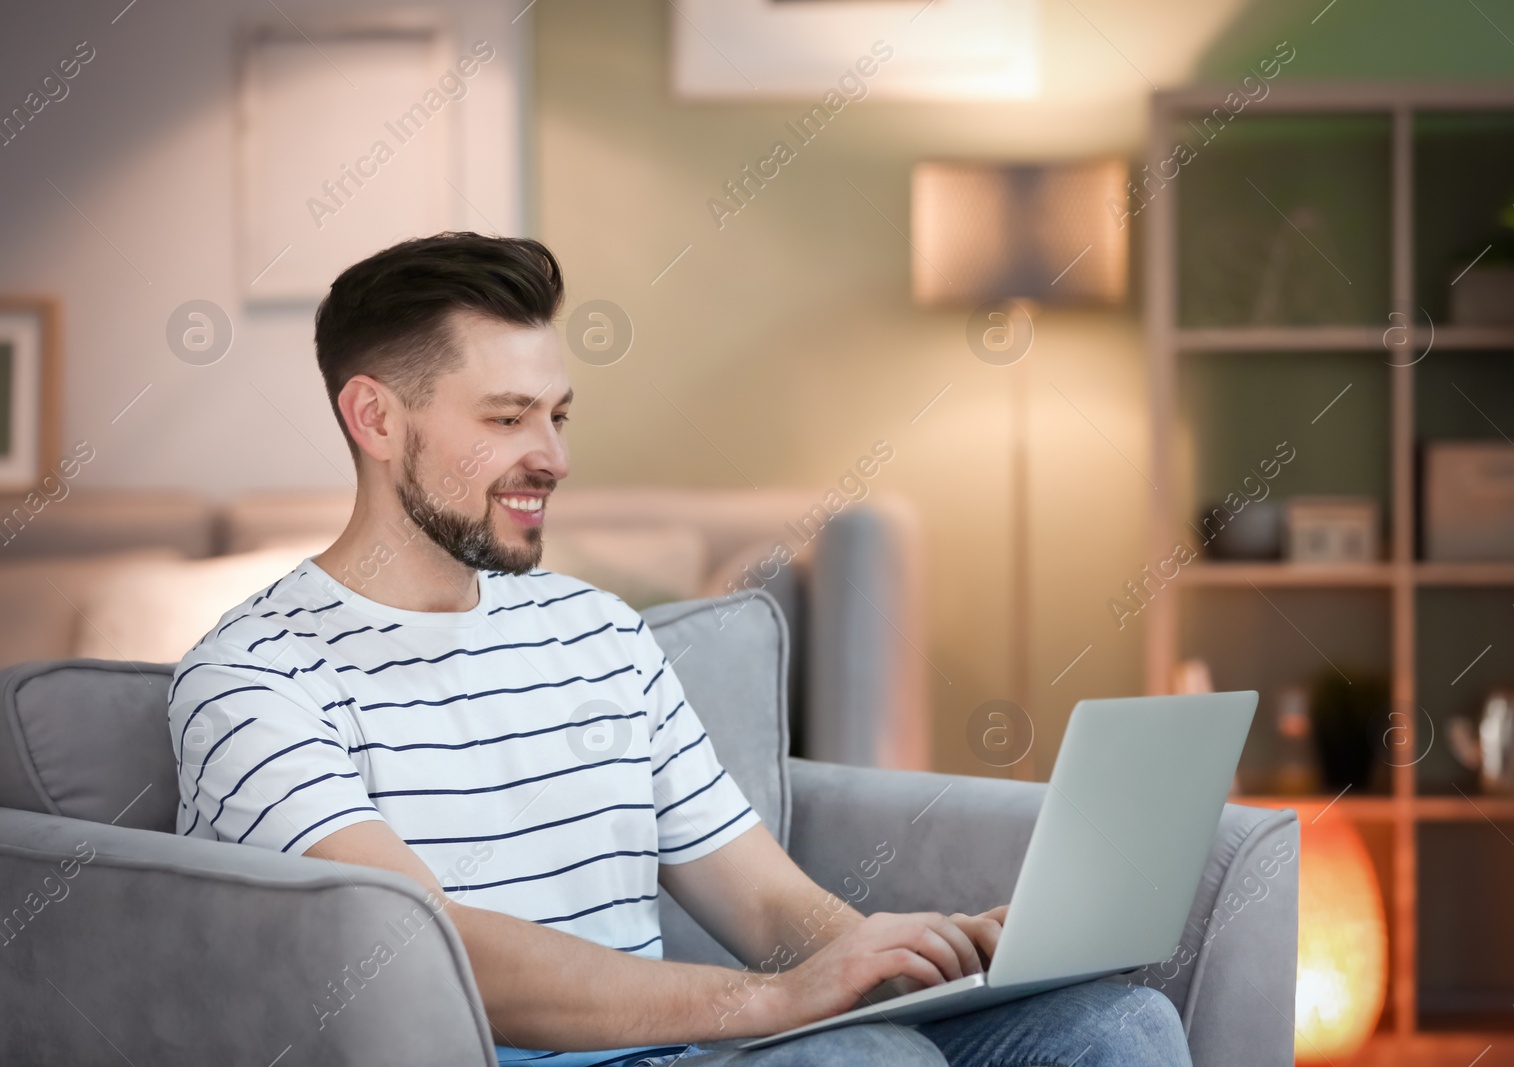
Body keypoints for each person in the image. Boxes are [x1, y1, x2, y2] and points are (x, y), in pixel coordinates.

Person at [168, 232, 1190, 1067]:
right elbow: (428, 951)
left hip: (691, 1050)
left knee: (1117, 1026)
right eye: (508, 416)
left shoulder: (597, 631)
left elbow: (761, 896)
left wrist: (908, 954)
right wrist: (773, 1002)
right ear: (374, 417)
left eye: (558, 415)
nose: (554, 458)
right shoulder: (255, 678)